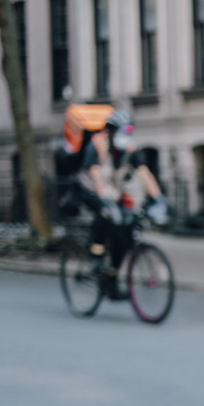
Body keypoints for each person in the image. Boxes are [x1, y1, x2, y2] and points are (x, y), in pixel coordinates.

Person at [70, 109, 168, 293]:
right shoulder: (97, 145)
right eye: (122, 132)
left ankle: (112, 278)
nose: (125, 136)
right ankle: (96, 256)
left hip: (113, 192)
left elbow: (144, 173)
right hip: (89, 190)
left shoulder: (130, 149)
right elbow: (95, 174)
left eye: (128, 132)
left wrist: (157, 198)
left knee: (125, 232)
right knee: (105, 215)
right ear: (111, 132)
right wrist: (105, 200)